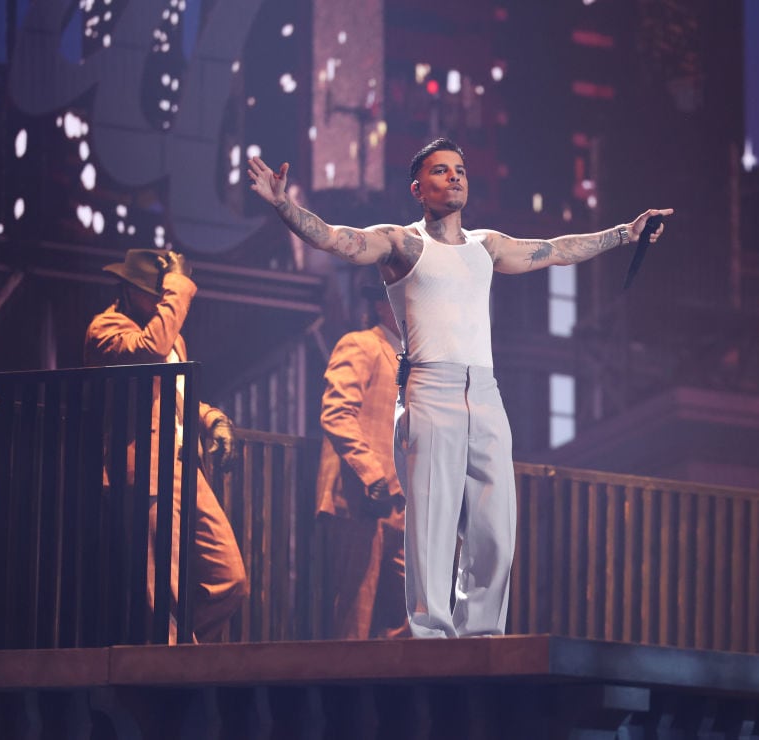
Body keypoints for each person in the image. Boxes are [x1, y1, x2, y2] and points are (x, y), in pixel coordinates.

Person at [248, 138, 672, 638]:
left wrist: (626, 233)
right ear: (418, 188)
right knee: (432, 522)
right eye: (441, 171)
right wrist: (283, 205)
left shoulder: (485, 246)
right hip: (431, 388)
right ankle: (431, 636)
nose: (454, 177)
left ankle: (481, 636)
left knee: (496, 528)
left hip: (486, 393)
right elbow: (337, 239)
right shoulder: (401, 243)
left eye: (460, 171)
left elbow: (556, 250)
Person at [84, 248, 248, 643]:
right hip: (145, 469)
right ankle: (172, 669)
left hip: (182, 467)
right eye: (155, 293)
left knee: (230, 578)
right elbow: (149, 352)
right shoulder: (106, 328)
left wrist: (212, 419)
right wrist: (177, 287)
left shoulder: (166, 334)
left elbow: (175, 395)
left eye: (165, 294)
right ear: (127, 290)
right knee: (163, 589)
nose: (163, 301)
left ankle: (187, 659)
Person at [315, 281, 410, 639]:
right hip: (361, 503)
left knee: (412, 621)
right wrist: (373, 476)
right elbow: (337, 413)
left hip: (403, 509)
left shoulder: (414, 364)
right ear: (384, 306)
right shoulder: (361, 345)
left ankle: (391, 692)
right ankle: (347, 693)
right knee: (354, 618)